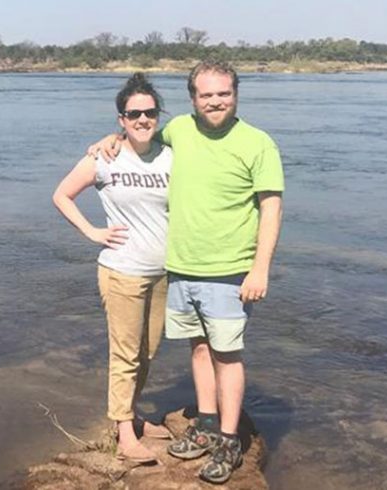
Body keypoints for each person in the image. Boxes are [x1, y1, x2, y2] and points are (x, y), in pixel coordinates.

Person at [91, 60, 283, 484]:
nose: (215, 101)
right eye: (206, 94)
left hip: (229, 269)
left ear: (236, 94)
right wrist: (110, 138)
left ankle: (229, 441)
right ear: (193, 98)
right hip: (181, 269)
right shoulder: (179, 130)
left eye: (223, 93)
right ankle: (207, 425)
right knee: (199, 349)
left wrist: (260, 269)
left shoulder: (258, 143)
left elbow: (271, 207)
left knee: (227, 356)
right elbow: (139, 135)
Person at [52, 73, 174, 463]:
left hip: (163, 272)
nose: (142, 119)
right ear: (121, 119)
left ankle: (132, 415)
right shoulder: (104, 156)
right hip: (122, 270)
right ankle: (123, 434)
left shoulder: (170, 152)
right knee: (125, 354)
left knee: (148, 351)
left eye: (149, 112)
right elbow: (62, 194)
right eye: (133, 114)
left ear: (158, 115)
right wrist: (92, 231)